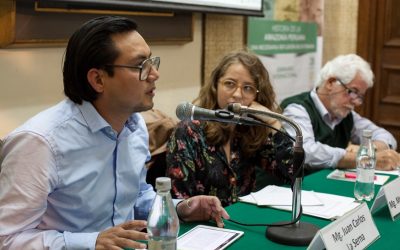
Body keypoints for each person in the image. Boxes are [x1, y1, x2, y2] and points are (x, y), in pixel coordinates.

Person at [0, 16, 229, 250]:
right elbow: (7, 239)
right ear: (98, 79)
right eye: (141, 66)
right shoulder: (40, 143)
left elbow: (135, 198)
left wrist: (180, 207)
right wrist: (91, 242)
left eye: (152, 62)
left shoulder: (134, 125)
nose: (154, 74)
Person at [166, 50, 296, 207]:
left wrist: (273, 123)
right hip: (204, 226)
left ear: (257, 95)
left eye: (248, 88)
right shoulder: (188, 131)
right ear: (215, 86)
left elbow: (292, 172)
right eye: (229, 84)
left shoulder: (250, 129)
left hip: (243, 221)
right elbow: (179, 201)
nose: (237, 94)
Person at [281, 54, 400, 171]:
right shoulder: (297, 108)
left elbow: (385, 136)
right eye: (353, 91)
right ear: (330, 83)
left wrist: (371, 149)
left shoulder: (345, 114)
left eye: (360, 96)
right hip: (287, 187)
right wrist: (361, 158)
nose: (357, 102)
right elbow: (304, 151)